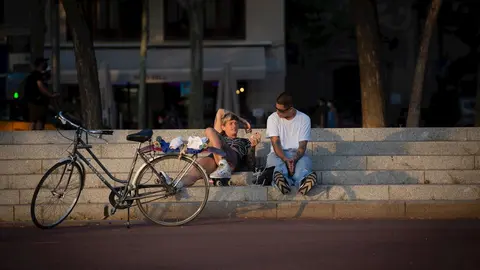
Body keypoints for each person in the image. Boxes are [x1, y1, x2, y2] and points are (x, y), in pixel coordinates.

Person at [179, 108, 261, 188]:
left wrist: (253, 147)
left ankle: (224, 167)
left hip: (231, 158)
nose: (234, 126)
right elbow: (220, 111)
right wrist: (242, 120)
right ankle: (175, 185)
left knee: (211, 134)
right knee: (196, 171)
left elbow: (251, 166)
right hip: (215, 158)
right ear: (223, 127)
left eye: (236, 123)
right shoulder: (220, 136)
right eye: (231, 123)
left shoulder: (244, 141)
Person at [266, 92, 317, 195]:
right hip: (277, 154)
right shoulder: (272, 118)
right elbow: (276, 143)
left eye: (280, 110)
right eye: (276, 108)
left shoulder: (304, 119)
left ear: (291, 108)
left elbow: (302, 146)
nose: (277, 112)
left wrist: (293, 160)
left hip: (297, 154)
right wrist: (285, 159)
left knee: (302, 169)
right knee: (278, 167)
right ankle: (282, 180)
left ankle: (304, 181)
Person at [24, 58, 58, 130]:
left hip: (33, 101)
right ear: (41, 64)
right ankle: (38, 138)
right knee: (39, 121)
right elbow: (40, 86)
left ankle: (33, 138)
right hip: (38, 102)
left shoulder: (32, 75)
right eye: (44, 62)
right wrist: (50, 95)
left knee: (34, 121)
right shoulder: (37, 75)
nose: (46, 64)